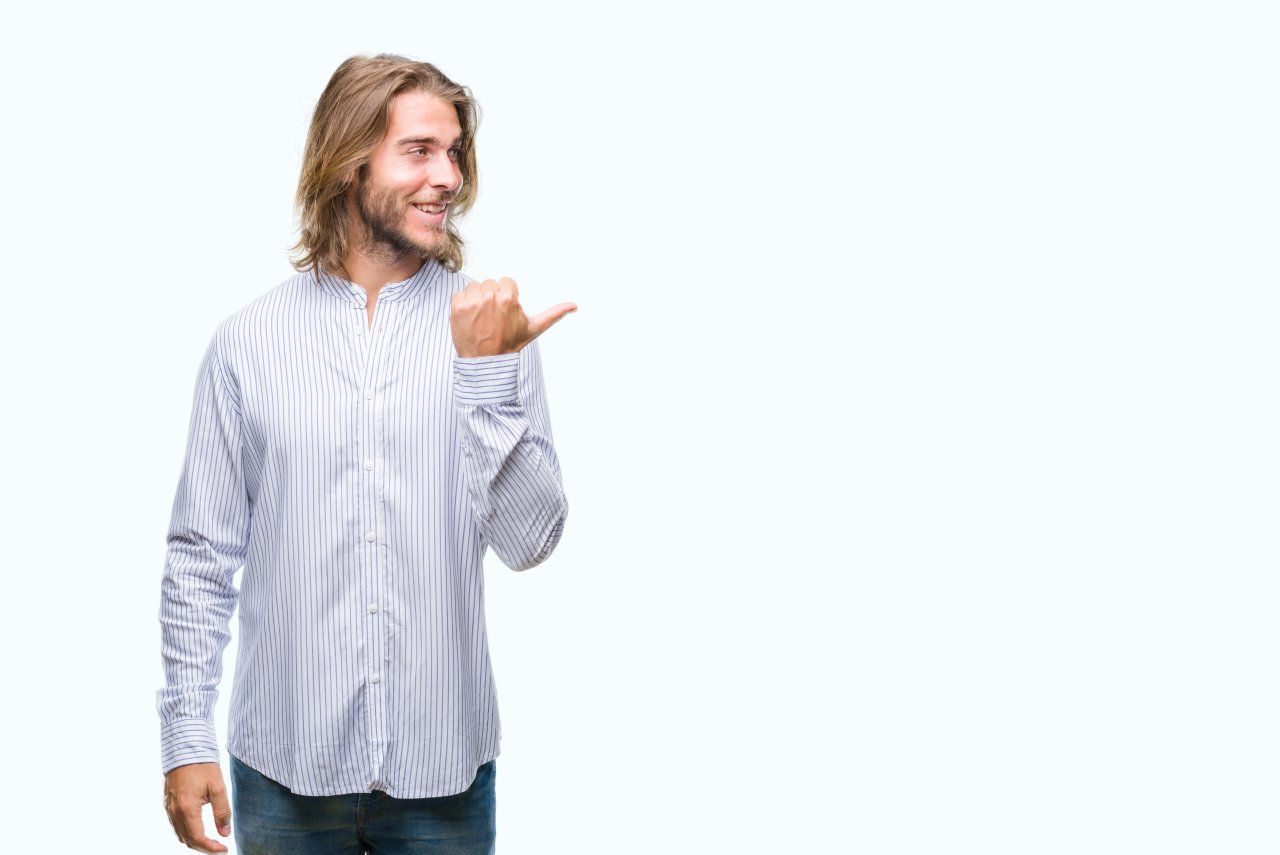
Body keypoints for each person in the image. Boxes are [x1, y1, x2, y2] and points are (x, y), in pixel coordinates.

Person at [157, 54, 574, 854]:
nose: (448, 176)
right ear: (349, 164)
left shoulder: (492, 332)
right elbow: (202, 554)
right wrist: (185, 736)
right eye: (419, 151)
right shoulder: (249, 342)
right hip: (283, 771)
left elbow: (530, 543)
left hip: (444, 776)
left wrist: (486, 375)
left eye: (454, 153)